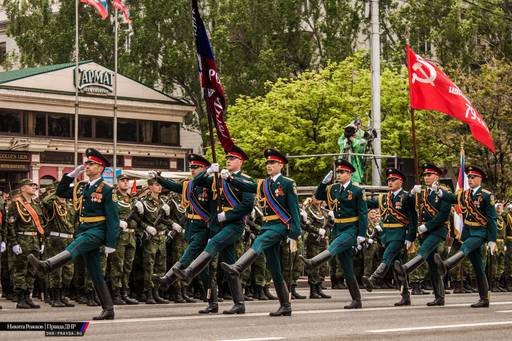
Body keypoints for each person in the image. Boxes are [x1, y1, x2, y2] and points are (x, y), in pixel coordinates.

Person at [28, 148, 120, 320]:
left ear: (100, 168)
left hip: (98, 231)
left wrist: (111, 243)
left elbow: (113, 219)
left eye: (91, 164)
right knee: (95, 272)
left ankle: (47, 266)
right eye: (86, 163)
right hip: (84, 229)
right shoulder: (82, 187)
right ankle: (108, 309)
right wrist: (71, 175)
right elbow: (61, 192)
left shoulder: (107, 189)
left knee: (77, 246)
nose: (87, 166)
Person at [219, 148, 301, 316]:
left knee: (259, 241)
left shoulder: (287, 183)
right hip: (267, 225)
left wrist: (296, 231)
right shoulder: (262, 184)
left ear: (281, 165)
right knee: (275, 268)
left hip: (280, 226)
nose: (268, 165)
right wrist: (230, 178)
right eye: (267, 163)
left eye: (272, 163)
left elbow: (294, 208)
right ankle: (286, 305)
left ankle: (238, 267)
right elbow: (246, 185)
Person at [174, 146, 255, 315]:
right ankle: (234, 303)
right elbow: (195, 183)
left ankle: (190, 271)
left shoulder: (246, 180)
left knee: (214, 244)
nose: (228, 161)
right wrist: (209, 171)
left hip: (234, 225)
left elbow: (247, 205)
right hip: (219, 225)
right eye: (227, 158)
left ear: (240, 162)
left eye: (232, 159)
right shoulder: (220, 178)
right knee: (230, 266)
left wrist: (227, 215)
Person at [299, 160, 368, 309]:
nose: (339, 174)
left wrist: (362, 234)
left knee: (335, 246)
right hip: (338, 228)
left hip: (351, 229)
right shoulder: (334, 189)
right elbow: (318, 195)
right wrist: (323, 183)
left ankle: (313, 262)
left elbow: (363, 214)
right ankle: (356, 299)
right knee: (347, 267)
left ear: (349, 174)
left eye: (342, 172)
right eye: (338, 172)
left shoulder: (357, 191)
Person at [152, 154, 216, 313]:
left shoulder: (210, 184)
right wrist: (159, 179)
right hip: (192, 227)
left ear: (204, 168)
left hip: (204, 229)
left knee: (190, 254)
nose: (193, 170)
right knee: (203, 270)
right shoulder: (190, 185)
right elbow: (175, 187)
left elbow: (214, 210)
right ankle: (212, 302)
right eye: (192, 167)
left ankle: (168, 278)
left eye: (196, 167)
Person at [434, 165, 497, 308]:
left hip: (481, 233)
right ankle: (484, 299)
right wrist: (439, 191)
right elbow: (452, 198)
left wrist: (492, 239)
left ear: (480, 179)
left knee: (466, 247)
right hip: (469, 231)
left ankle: (446, 265)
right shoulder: (465, 194)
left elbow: (492, 219)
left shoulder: (487, 195)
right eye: (468, 177)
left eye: (473, 177)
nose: (470, 179)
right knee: (478, 267)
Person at [394, 163, 451, 306]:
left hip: (438, 230)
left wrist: (427, 226)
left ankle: (406, 268)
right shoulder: (422, 192)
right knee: (432, 265)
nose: (426, 177)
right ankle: (440, 296)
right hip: (424, 232)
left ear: (436, 176)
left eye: (429, 175)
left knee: (423, 251)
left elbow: (443, 214)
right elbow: (406, 205)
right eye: (424, 175)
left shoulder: (444, 191)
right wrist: (411, 194)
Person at [363, 168, 417, 306]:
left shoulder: (407, 197)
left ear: (401, 181)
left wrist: (410, 237)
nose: (390, 182)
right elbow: (369, 204)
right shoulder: (384, 198)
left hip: (399, 235)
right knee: (398, 267)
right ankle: (405, 296)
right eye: (388, 180)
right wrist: (358, 199)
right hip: (386, 236)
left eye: (393, 180)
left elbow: (413, 219)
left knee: (387, 256)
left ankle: (374, 279)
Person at [6, 179, 44, 309]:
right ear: (22, 188)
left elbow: (40, 224)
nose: (33, 187)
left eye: (34, 185)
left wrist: (41, 241)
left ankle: (28, 296)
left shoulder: (36, 204)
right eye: (30, 185)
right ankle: (21, 298)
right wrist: (14, 243)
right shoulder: (16, 204)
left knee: (32, 271)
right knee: (20, 270)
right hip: (22, 240)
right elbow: (10, 225)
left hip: (34, 242)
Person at [109, 174, 140, 305]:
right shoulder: (113, 198)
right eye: (123, 181)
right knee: (118, 265)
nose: (126, 183)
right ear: (118, 183)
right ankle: (115, 294)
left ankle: (124, 293)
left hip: (131, 236)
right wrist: (118, 223)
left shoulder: (131, 199)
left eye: (127, 181)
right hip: (120, 236)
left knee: (128, 266)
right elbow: (109, 214)